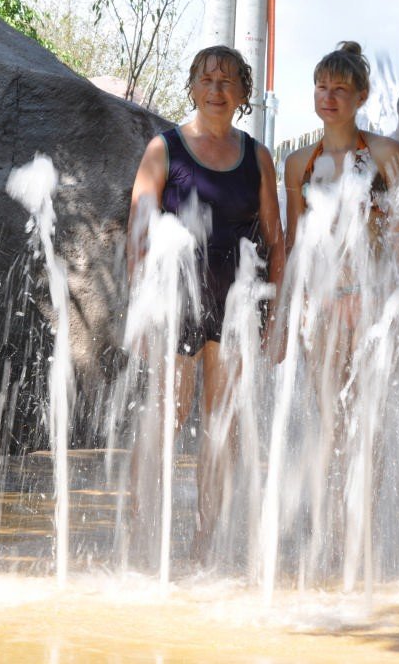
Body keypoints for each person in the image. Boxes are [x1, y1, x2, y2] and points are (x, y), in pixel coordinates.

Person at [126, 45, 286, 562]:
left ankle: (204, 541)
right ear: (192, 86)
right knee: (168, 414)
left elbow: (276, 239)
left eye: (228, 81)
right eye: (207, 79)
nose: (216, 89)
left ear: (243, 94)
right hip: (177, 297)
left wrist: (277, 315)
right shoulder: (164, 148)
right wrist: (142, 310)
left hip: (236, 298)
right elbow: (138, 232)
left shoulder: (257, 155)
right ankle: (140, 529)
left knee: (223, 425)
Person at [282, 41, 399, 572]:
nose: (327, 97)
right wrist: (285, 317)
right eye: (321, 87)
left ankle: (366, 529)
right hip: (323, 306)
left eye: (339, 89)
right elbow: (290, 242)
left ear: (361, 96)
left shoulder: (382, 154)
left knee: (368, 422)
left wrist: (394, 308)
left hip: (370, 304)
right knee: (330, 421)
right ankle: (332, 530)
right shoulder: (297, 162)